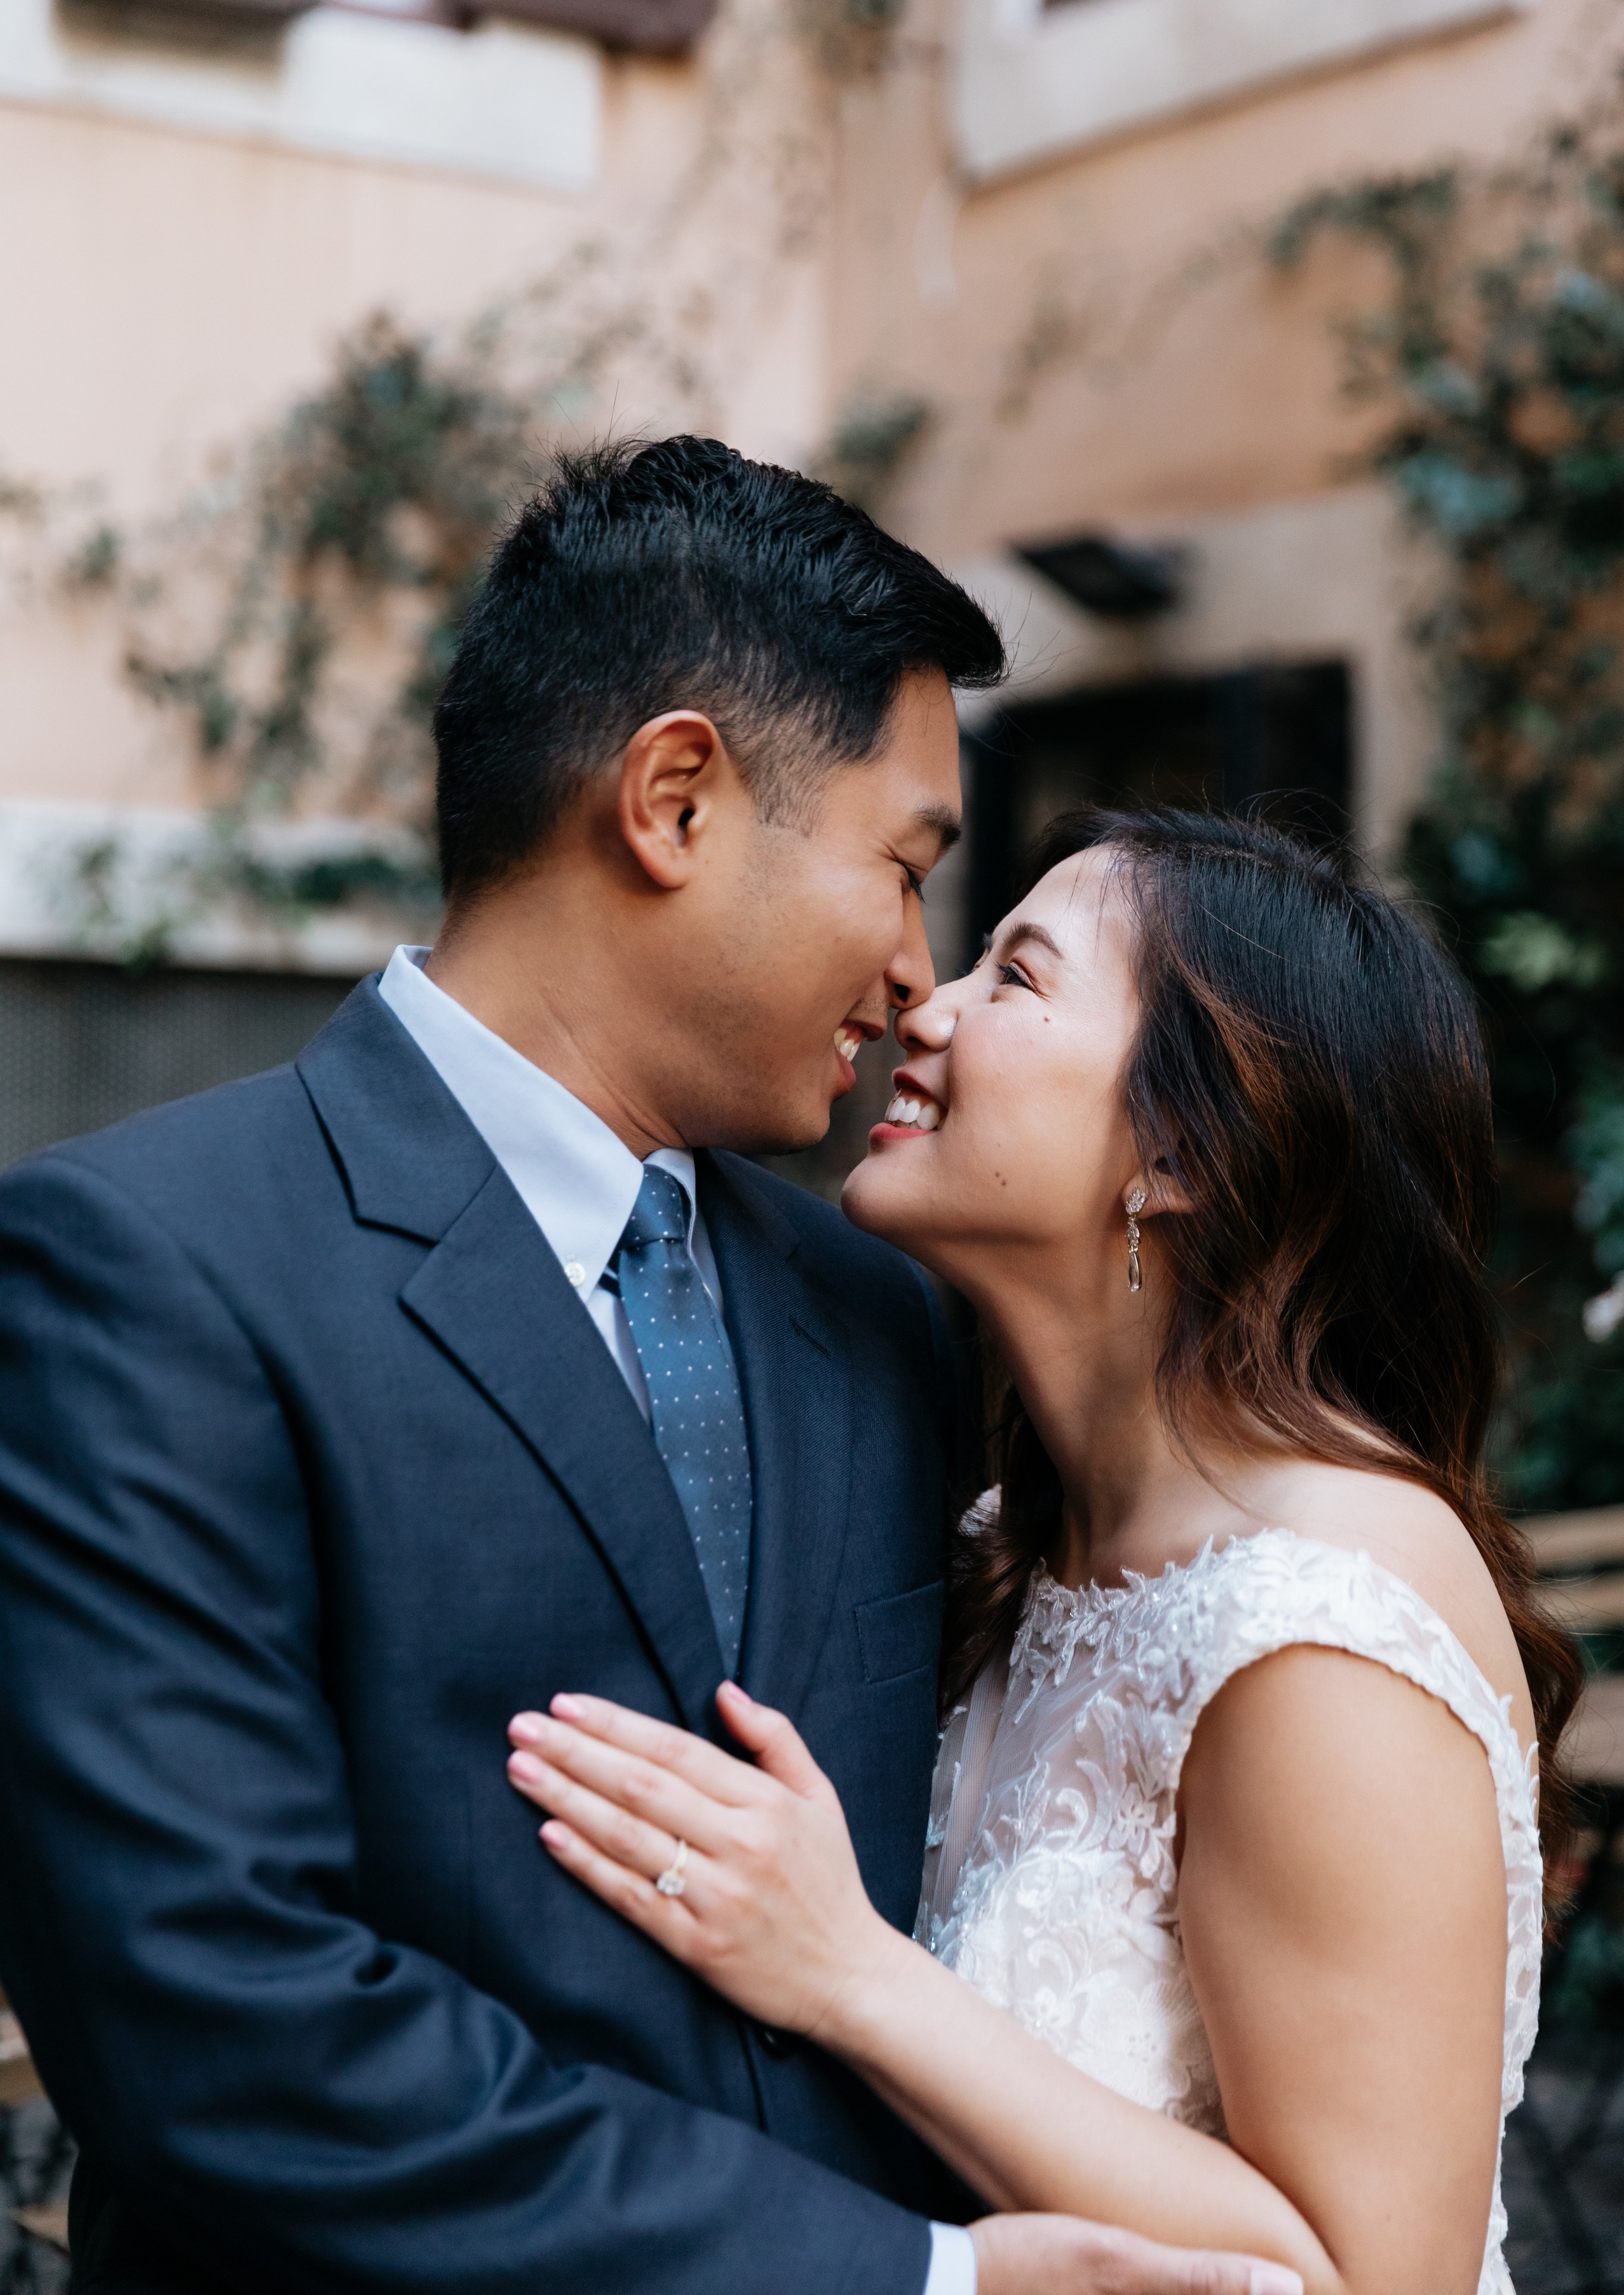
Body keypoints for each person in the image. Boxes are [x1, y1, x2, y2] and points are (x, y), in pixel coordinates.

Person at [0, 444, 1291, 2295]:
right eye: (905, 867)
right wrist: (918, 2288)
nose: (919, 978)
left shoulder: (881, 1300)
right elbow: (219, 2027)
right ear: (676, 799)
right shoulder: (145, 1271)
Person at [500, 806, 1586, 2295]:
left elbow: (1378, 2275)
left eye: (1014, 977)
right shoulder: (1010, 1533)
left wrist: (842, 1973)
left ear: (1182, 1146)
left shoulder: (1320, 1624)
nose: (922, 1005)